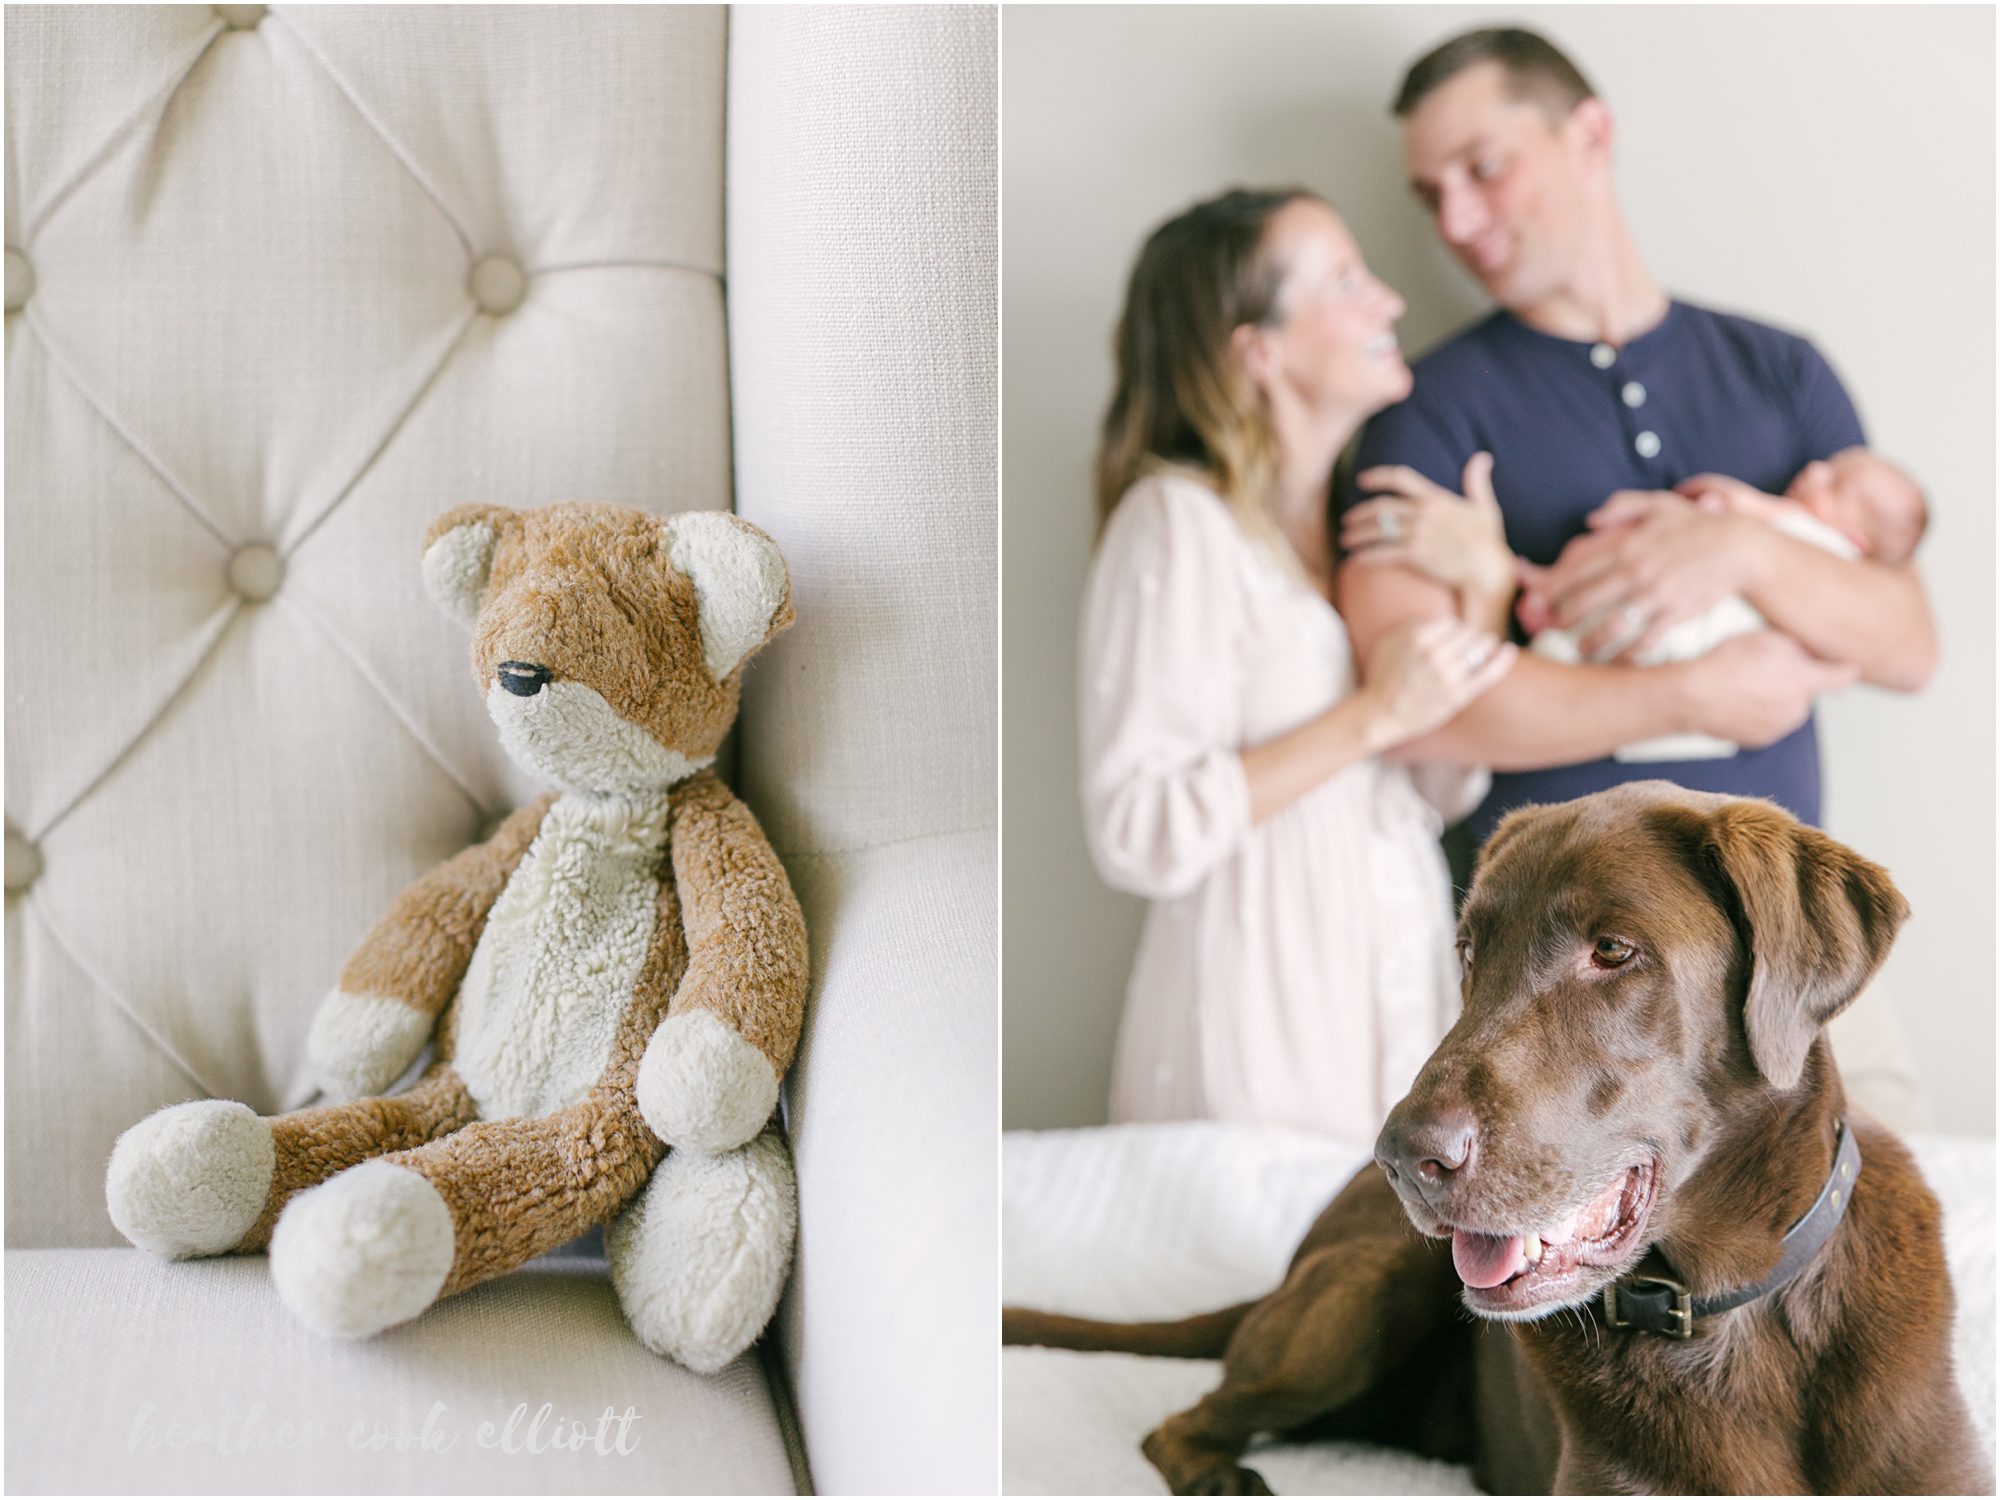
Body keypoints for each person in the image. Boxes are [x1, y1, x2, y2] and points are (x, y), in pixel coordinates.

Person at [1332, 26, 1937, 1123]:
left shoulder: (1780, 372)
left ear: (1588, 135)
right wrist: (1684, 696)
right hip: (1567, 1008)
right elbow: (1408, 706)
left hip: (1795, 957)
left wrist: (1744, 547)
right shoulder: (1421, 414)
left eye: (1482, 168)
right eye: (1431, 195)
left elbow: (1905, 642)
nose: (1457, 222)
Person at [1080, 186, 1514, 1142]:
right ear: (1257, 350)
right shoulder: (1178, 526)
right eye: (1347, 283)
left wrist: (1485, 588)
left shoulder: (1359, 543)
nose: (1390, 303)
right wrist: (1371, 716)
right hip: (1259, 1009)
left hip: (1397, 996)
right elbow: (1135, 825)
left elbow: (1436, 785)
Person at [1501, 449, 1930, 761]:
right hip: (1684, 645)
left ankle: (1550, 601)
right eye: (1829, 468)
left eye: (1835, 485)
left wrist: (1731, 503)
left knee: (1618, 579)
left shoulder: (1822, 543)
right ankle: (1553, 605)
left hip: (1703, 641)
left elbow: (1917, 658)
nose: (1815, 469)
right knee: (1621, 568)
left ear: (1857, 539)